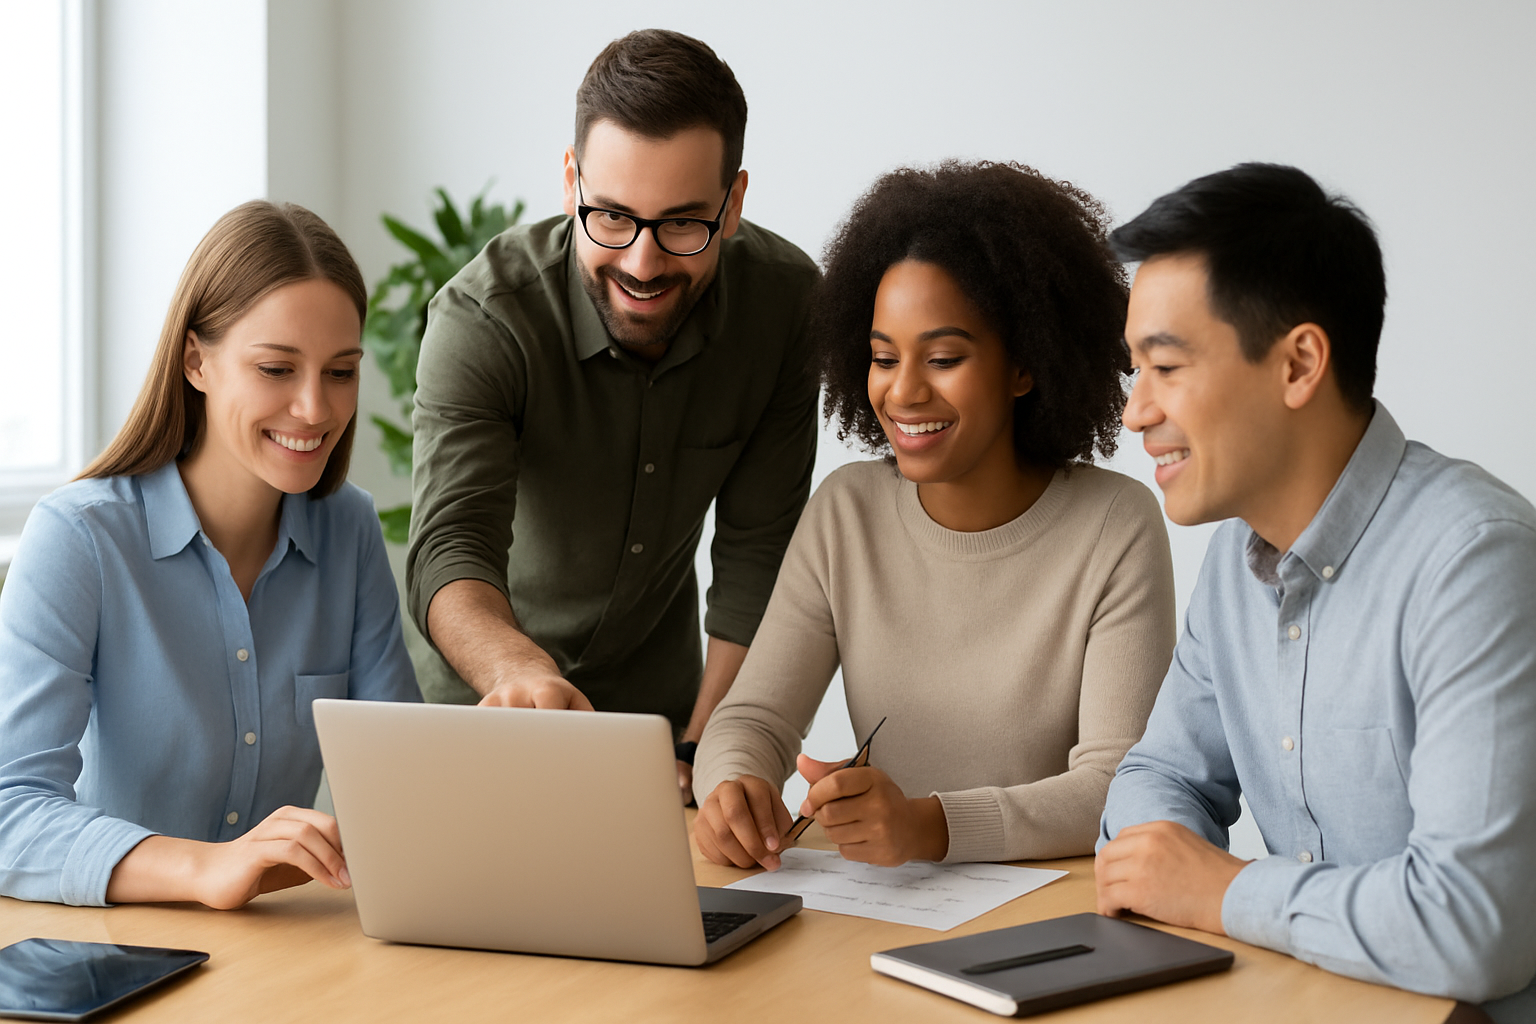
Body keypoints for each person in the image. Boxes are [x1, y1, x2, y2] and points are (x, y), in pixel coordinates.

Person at [1095, 163, 1536, 1019]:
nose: (1134, 412)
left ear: (1298, 363)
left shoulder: (1476, 564)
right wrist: (1170, 867)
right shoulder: (1236, 560)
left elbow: (1473, 929)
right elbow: (1158, 775)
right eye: (1133, 370)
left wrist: (1222, 892)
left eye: (1165, 367)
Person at [692, 161, 1176, 870]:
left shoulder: (1114, 525)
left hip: (1052, 919)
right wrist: (734, 785)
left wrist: (933, 827)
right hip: (881, 912)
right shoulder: (848, 512)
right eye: (884, 358)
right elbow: (754, 718)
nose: (904, 391)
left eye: (944, 357)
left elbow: (1117, 785)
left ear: (1024, 366)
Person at [407, 29, 819, 799]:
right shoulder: (484, 319)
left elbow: (756, 560)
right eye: (613, 217)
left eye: (682, 224)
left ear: (733, 204)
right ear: (571, 183)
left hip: (653, 733)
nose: (641, 261)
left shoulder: (788, 308)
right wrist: (518, 668)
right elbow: (449, 546)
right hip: (471, 716)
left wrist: (706, 750)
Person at [0, 201, 421, 909]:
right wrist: (204, 868)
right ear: (197, 360)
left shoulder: (347, 529)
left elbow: (404, 784)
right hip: (116, 956)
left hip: (278, 951)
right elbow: (9, 809)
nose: (316, 408)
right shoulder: (79, 539)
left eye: (341, 372)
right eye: (277, 368)